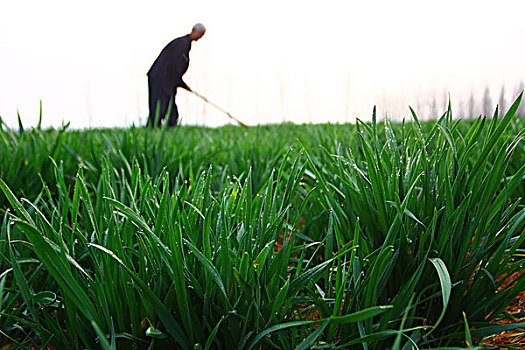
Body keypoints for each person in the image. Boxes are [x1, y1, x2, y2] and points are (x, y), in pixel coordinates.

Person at [147, 23, 206, 127]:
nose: (200, 37)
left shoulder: (184, 44)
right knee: (160, 106)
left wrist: (180, 83)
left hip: (166, 79)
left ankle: (166, 128)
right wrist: (181, 83)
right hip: (161, 78)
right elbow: (173, 67)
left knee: (168, 106)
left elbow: (175, 69)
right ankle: (155, 128)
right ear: (193, 31)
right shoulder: (182, 44)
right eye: (200, 34)